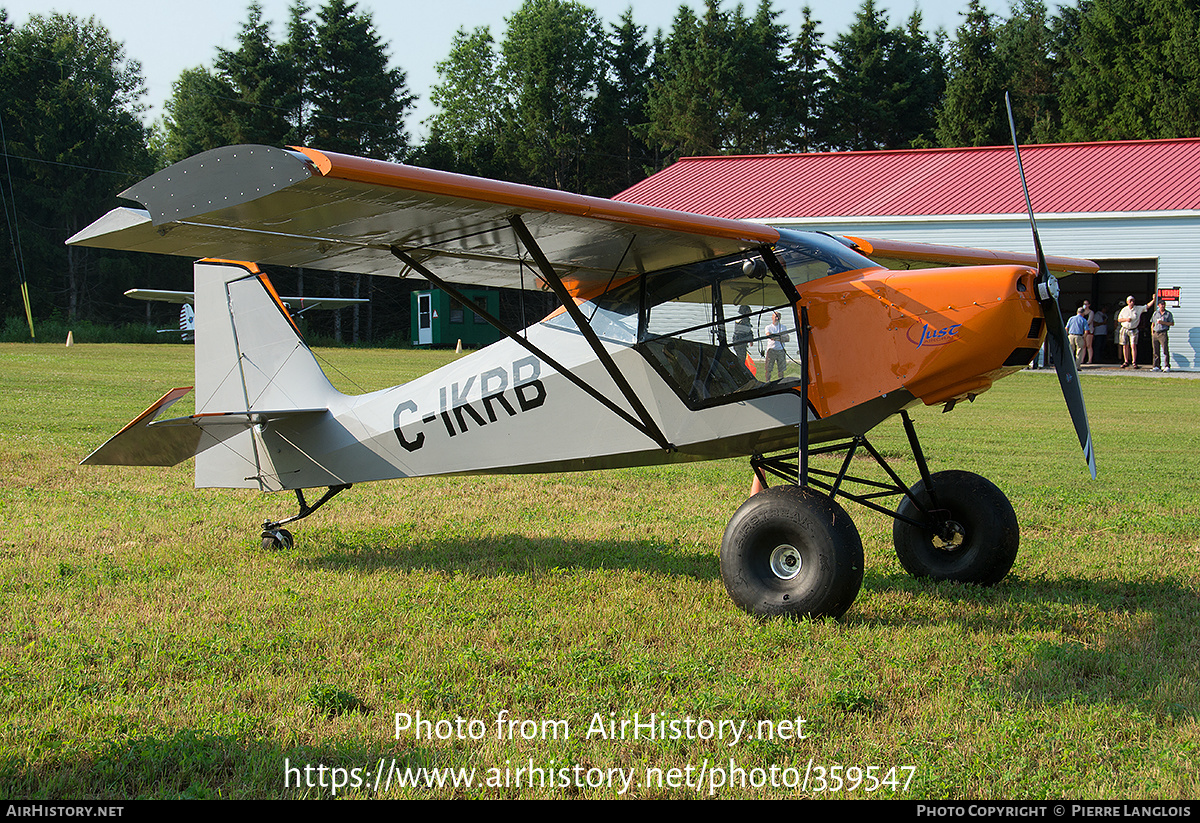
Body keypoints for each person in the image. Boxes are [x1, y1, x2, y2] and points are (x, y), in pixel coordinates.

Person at [1117, 295, 1154, 369]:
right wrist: (1126, 319)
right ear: (1127, 302)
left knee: (1133, 345)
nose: (1132, 302)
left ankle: (1134, 361)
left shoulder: (1138, 309)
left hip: (1133, 329)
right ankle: (1126, 361)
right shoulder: (1124, 309)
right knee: (1125, 346)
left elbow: (1147, 306)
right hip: (1125, 328)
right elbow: (1119, 319)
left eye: (1133, 301)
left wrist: (1154, 300)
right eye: (1130, 301)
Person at [764, 310, 789, 381]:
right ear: (772, 318)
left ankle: (781, 381)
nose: (777, 318)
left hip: (781, 350)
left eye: (779, 317)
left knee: (781, 369)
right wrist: (781, 338)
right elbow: (769, 336)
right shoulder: (768, 327)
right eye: (776, 317)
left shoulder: (783, 327)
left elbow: (787, 338)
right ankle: (767, 382)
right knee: (768, 369)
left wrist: (775, 337)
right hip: (771, 350)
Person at [1151, 300, 1175, 372]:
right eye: (1161, 304)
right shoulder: (1156, 313)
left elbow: (1171, 323)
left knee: (1165, 350)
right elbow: (1152, 323)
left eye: (1164, 304)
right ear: (1158, 305)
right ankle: (1156, 366)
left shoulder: (1168, 314)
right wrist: (1152, 331)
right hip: (1156, 332)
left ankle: (1167, 365)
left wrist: (1163, 322)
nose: (1162, 306)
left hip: (1163, 333)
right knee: (1155, 350)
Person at [1081, 299, 1095, 365]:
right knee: (1083, 345)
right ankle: (1082, 359)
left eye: (1086, 304)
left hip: (1089, 330)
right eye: (1084, 304)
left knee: (1089, 345)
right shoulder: (1082, 312)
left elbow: (1089, 321)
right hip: (1082, 331)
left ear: (1089, 305)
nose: (1085, 305)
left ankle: (1090, 360)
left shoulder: (1091, 312)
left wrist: (1083, 324)